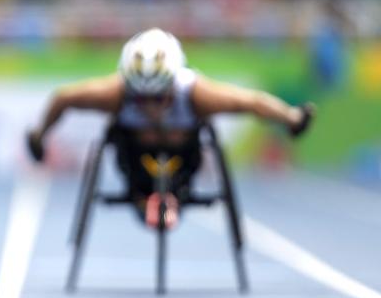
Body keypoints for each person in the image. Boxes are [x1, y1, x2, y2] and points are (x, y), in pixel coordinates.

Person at [26, 28, 313, 227]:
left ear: (174, 83)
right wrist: (39, 136)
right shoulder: (114, 93)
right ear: (128, 84)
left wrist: (292, 118)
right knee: (131, 138)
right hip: (134, 164)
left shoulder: (197, 94)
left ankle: (176, 194)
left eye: (159, 97)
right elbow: (63, 98)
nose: (150, 106)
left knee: (182, 137)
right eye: (141, 97)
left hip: (184, 163)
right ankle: (143, 198)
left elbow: (250, 102)